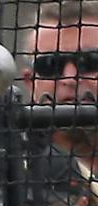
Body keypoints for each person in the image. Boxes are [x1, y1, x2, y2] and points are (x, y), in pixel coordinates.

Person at [24, 0, 98, 163]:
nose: (70, 78)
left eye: (91, 61)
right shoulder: (6, 170)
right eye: (50, 65)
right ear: (30, 82)